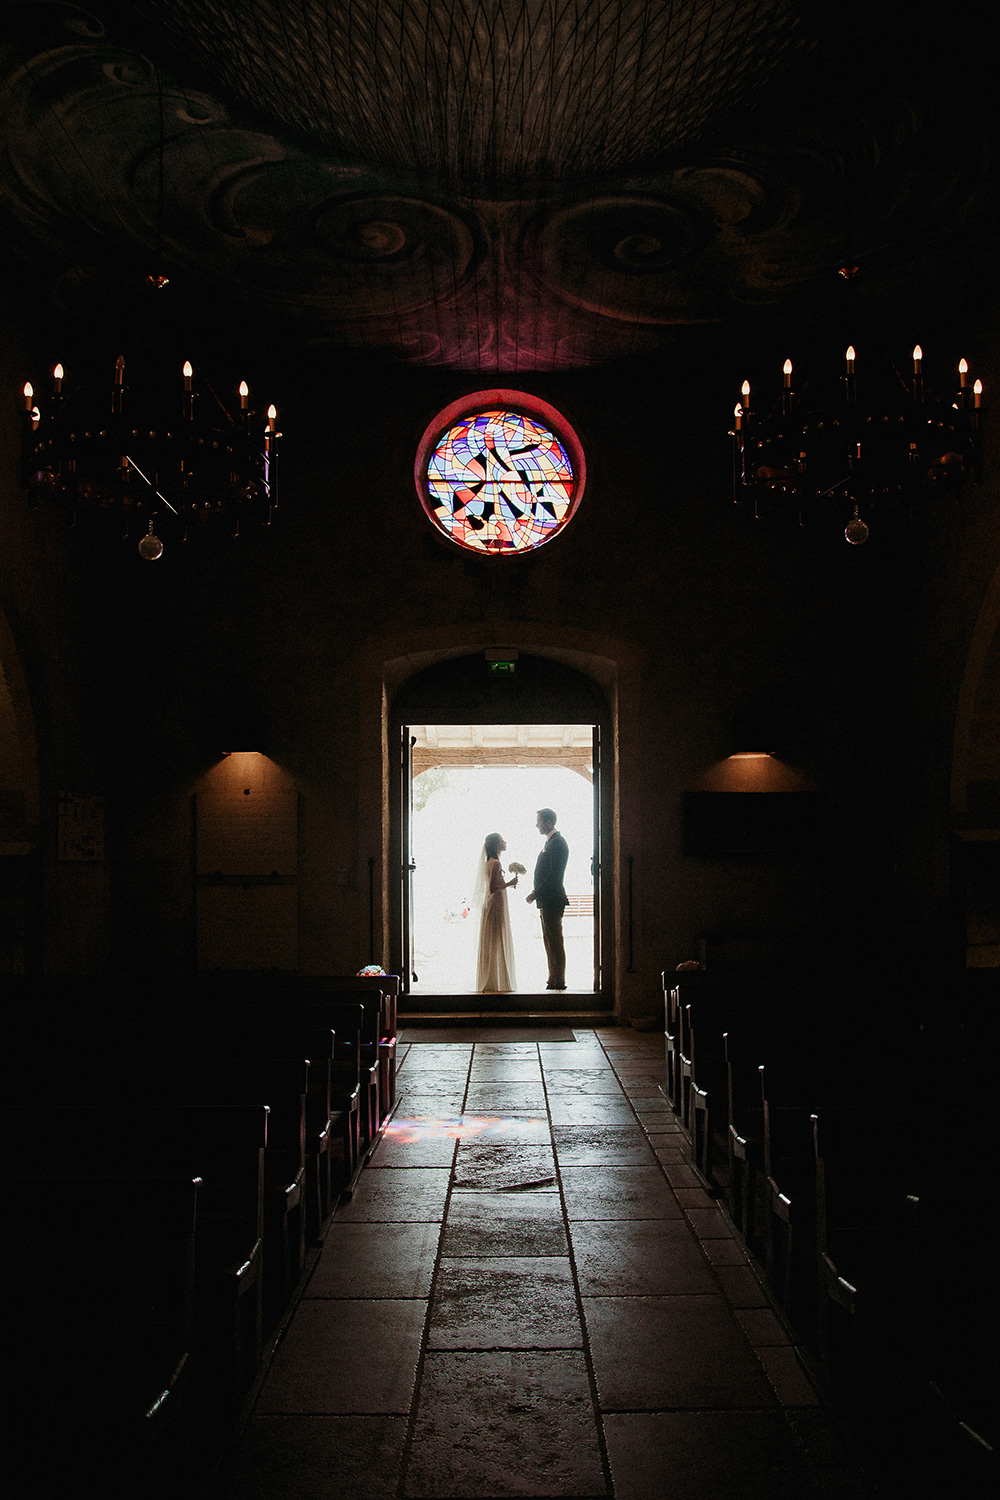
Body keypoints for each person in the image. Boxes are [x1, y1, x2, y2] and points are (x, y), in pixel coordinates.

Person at [526, 807, 569, 990]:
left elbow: (553, 875)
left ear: (548, 822)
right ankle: (553, 977)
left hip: (552, 899)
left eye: (539, 821)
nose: (537, 825)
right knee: (549, 940)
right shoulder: (551, 842)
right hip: (547, 899)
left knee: (554, 940)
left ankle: (559, 979)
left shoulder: (557, 843)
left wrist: (536, 893)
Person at [474, 832, 519, 993]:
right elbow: (493, 888)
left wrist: (508, 884)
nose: (505, 842)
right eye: (502, 840)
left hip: (493, 902)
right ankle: (497, 980)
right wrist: (509, 883)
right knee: (497, 936)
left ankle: (493, 978)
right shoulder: (495, 863)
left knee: (493, 938)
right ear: (497, 845)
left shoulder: (490, 862)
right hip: (495, 903)